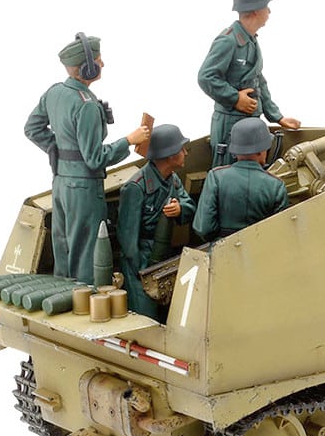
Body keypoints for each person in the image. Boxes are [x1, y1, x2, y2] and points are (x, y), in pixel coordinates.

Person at [25, 33, 150, 283]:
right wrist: (128, 140)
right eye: (98, 60)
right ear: (88, 68)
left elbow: (33, 128)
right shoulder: (87, 106)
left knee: (63, 247)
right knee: (86, 252)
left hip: (61, 183)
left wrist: (62, 152)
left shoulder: (54, 93)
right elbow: (94, 158)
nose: (102, 63)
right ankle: (83, 299)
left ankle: (62, 295)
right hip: (84, 189)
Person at [198, 0, 300, 169]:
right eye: (266, 7)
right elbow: (206, 77)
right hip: (230, 124)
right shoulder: (228, 41)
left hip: (250, 120)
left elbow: (258, 81)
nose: (269, 12)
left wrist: (277, 117)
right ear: (255, 11)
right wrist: (235, 98)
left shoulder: (250, 40)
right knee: (226, 172)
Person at [116, 124, 196, 320]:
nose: (185, 153)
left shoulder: (172, 179)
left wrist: (180, 209)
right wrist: (142, 271)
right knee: (146, 316)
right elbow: (127, 239)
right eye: (181, 149)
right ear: (169, 155)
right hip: (141, 262)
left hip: (163, 255)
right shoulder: (136, 187)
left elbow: (189, 205)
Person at [193, 118, 289, 241]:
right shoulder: (276, 185)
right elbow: (281, 230)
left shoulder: (216, 177)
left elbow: (204, 228)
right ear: (261, 150)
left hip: (222, 247)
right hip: (261, 247)